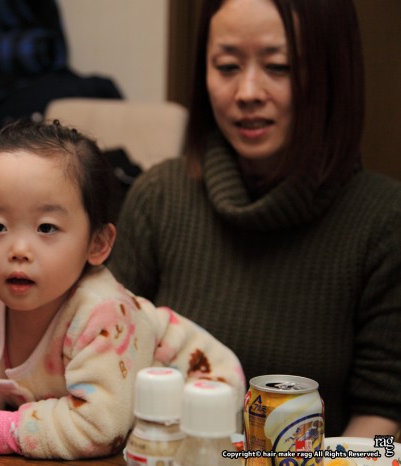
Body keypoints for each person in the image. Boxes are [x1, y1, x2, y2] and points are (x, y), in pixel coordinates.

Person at [109, 0, 401, 438]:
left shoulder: (383, 220)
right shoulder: (160, 197)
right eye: (227, 66)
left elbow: (381, 416)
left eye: (279, 67)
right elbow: (106, 361)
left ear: (332, 73)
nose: (247, 92)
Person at [0, 119, 244, 459]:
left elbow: (99, 427)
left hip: (204, 406)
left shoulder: (101, 312)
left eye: (46, 227)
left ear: (97, 243)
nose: (19, 250)